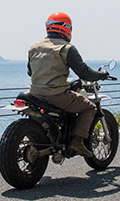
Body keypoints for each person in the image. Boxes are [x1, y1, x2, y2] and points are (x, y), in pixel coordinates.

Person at [27, 12, 109, 158]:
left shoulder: (34, 47)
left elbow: (30, 72)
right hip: (56, 96)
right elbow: (84, 73)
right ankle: (77, 142)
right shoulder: (66, 48)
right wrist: (101, 75)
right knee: (89, 107)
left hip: (34, 94)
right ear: (67, 28)